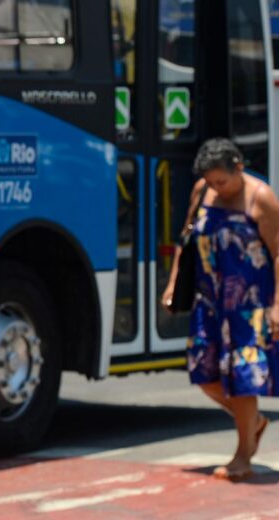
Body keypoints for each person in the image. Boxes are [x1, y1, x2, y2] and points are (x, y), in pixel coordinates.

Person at [163, 138, 279, 480]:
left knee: (241, 381)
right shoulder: (201, 192)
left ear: (239, 167)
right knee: (205, 375)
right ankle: (253, 422)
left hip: (248, 307)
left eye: (222, 182)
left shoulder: (262, 199)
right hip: (209, 301)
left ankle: (243, 456)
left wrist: (277, 306)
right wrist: (173, 284)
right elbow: (186, 239)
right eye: (212, 182)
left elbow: (278, 253)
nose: (217, 188)